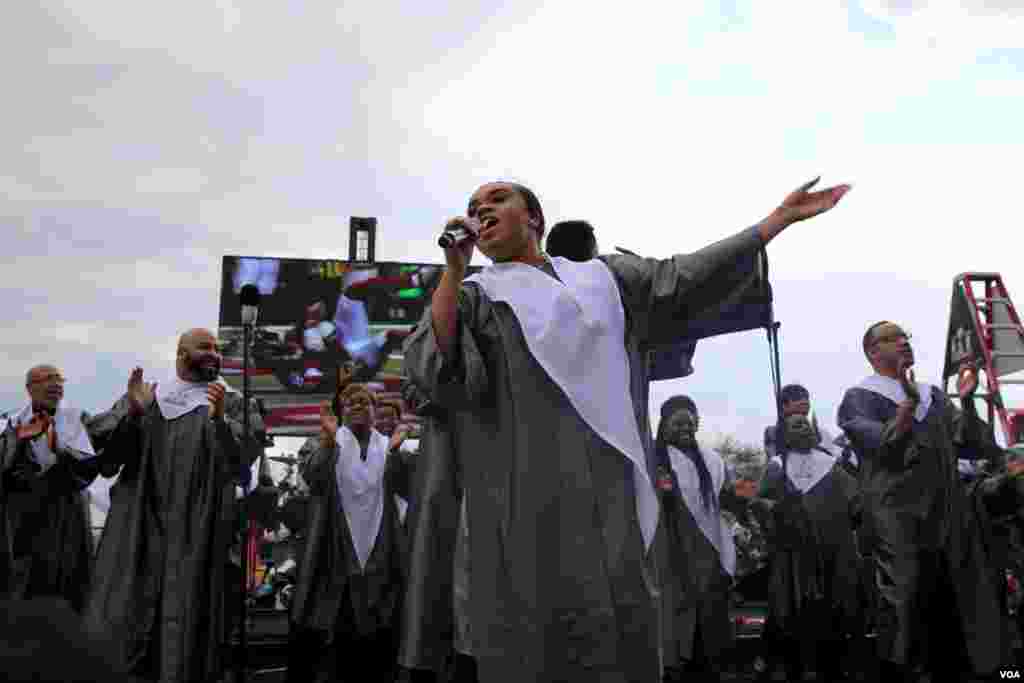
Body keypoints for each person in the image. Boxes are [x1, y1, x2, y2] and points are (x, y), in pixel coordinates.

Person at [403, 177, 850, 682]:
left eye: (497, 200)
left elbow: (683, 277)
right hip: (522, 487)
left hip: (613, 477)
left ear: (534, 219)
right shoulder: (478, 295)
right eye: (473, 206)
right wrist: (454, 270)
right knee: (530, 627)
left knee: (620, 616)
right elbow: (432, 366)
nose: (481, 210)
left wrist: (774, 223)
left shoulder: (604, 280)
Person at [83, 328, 264, 683]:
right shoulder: (151, 396)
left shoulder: (235, 401)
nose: (213, 353)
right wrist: (132, 415)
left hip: (201, 524)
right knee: (131, 615)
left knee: (192, 623)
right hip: (141, 522)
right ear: (181, 353)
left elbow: (244, 463)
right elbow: (107, 458)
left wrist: (220, 421)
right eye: (204, 347)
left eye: (216, 348)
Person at [837, 321, 1008, 682]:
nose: (903, 342)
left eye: (906, 337)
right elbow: (879, 446)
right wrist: (905, 407)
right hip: (897, 513)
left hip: (946, 510)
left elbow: (974, 443)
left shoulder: (934, 395)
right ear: (872, 351)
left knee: (956, 592)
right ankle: (902, 670)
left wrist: (965, 397)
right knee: (905, 596)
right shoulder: (860, 397)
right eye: (892, 338)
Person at [287, 383, 414, 683]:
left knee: (379, 641)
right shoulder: (325, 442)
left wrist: (396, 451)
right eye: (350, 403)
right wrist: (329, 441)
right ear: (341, 412)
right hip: (335, 553)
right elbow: (313, 476)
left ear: (374, 410)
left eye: (364, 402)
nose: (357, 406)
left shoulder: (389, 445)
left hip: (381, 556)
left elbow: (407, 486)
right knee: (335, 642)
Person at [756, 412, 862, 683]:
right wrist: (778, 510)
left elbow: (856, 503)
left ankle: (833, 668)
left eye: (805, 422)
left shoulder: (832, 465)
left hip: (832, 552)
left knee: (832, 613)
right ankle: (795, 668)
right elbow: (760, 505)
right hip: (793, 555)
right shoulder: (777, 467)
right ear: (785, 435)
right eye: (794, 424)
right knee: (792, 614)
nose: (802, 426)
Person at [655, 396, 742, 683]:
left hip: (709, 548)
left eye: (690, 422)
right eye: (677, 423)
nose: (685, 428)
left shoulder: (713, 460)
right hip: (673, 547)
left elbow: (728, 498)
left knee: (711, 613)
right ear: (663, 425)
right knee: (678, 613)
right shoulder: (655, 459)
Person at [0, 365, 99, 611]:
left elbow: (90, 466)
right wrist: (19, 441)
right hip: (24, 515)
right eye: (47, 379)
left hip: (68, 513)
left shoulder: (79, 418)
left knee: (70, 584)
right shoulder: (10, 422)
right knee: (25, 585)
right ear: (29, 388)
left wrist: (59, 449)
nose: (55, 384)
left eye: (59, 380)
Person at [763, 383, 835, 461]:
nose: (804, 401)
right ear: (784, 405)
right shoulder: (772, 431)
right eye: (796, 398)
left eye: (806, 398)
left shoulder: (821, 432)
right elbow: (774, 455)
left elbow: (829, 456)